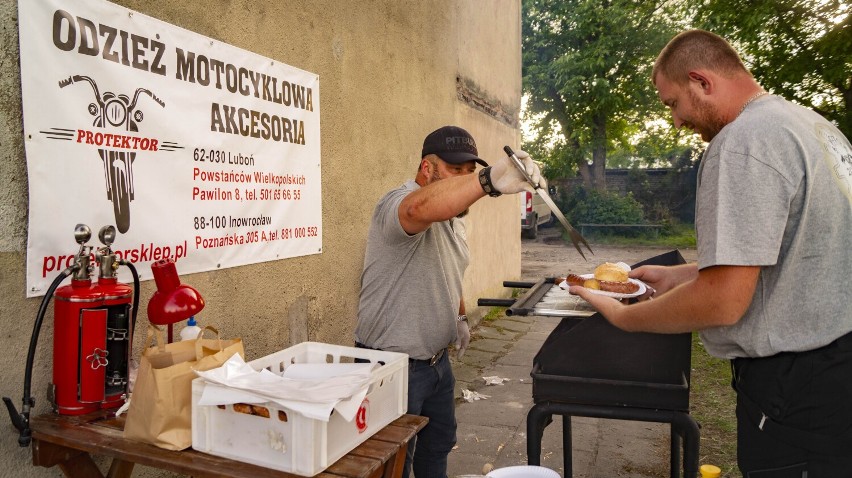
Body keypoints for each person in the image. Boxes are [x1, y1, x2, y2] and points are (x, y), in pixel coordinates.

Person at [571, 29, 852, 477]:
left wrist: (625, 317)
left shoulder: (745, 141)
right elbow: (793, 250)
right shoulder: (811, 126)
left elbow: (723, 300)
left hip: (795, 391)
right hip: (835, 368)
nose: (677, 122)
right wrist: (681, 276)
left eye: (672, 104)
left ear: (701, 81)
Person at [355, 125, 541, 478]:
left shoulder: (454, 220)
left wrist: (459, 317)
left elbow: (448, 269)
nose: (464, 179)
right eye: (455, 170)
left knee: (437, 449)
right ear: (427, 168)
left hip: (437, 365)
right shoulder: (396, 204)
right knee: (392, 466)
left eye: (469, 171)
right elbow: (417, 210)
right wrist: (487, 180)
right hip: (392, 369)